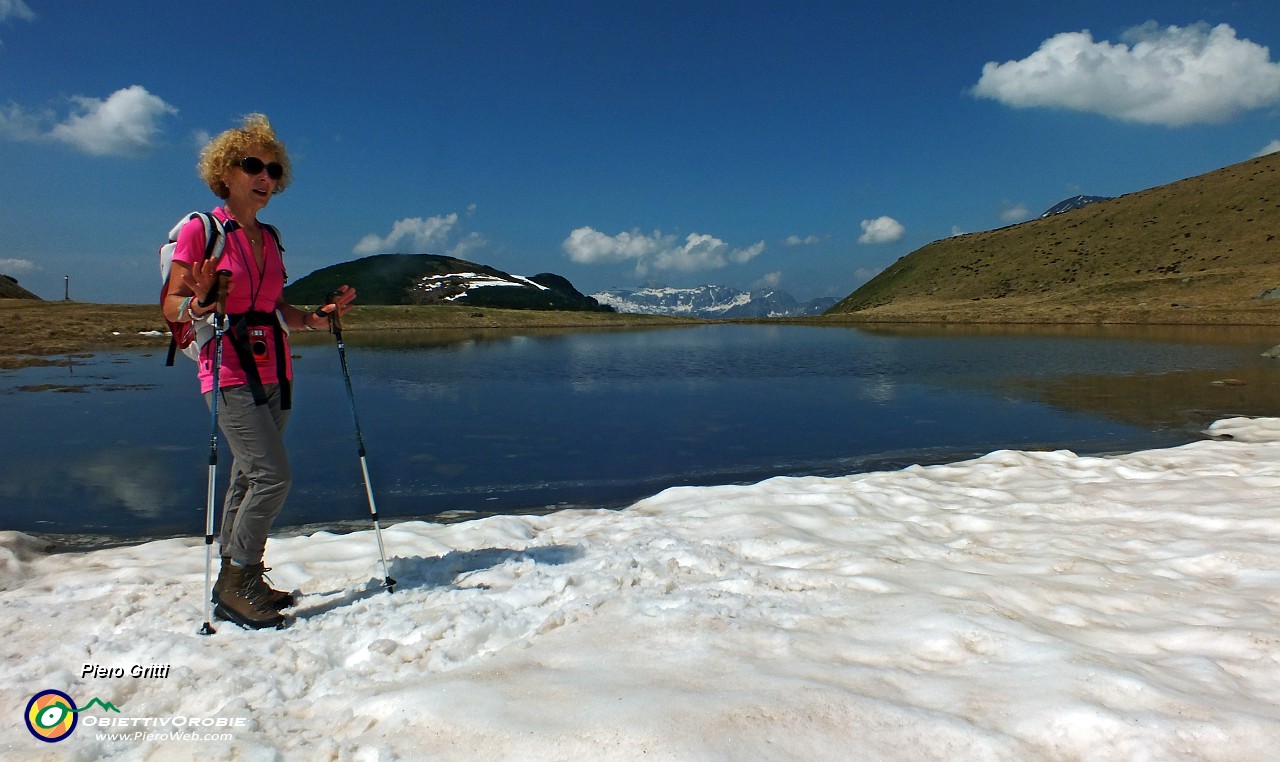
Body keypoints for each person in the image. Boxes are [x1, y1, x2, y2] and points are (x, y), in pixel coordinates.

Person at [161, 113, 356, 629]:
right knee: (273, 475)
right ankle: (237, 582)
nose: (265, 177)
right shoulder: (202, 231)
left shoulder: (269, 237)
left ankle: (239, 576)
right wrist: (199, 303)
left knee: (251, 474)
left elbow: (274, 307)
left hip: (274, 368)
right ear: (226, 172)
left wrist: (315, 319)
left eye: (273, 169)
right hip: (225, 370)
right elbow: (172, 307)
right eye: (254, 166)